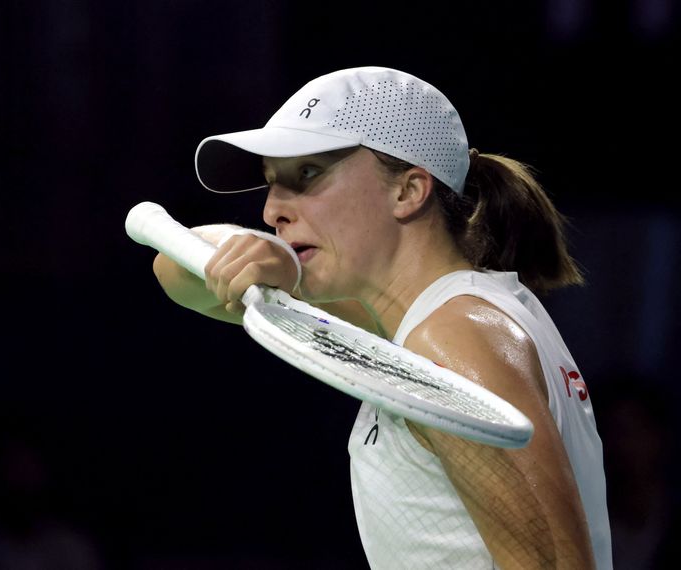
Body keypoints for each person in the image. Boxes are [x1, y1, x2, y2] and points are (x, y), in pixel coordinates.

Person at [152, 66, 612, 569]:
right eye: (270, 184)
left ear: (408, 191)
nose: (272, 211)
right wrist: (280, 261)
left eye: (307, 174)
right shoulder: (423, 315)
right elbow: (176, 267)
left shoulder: (453, 336)